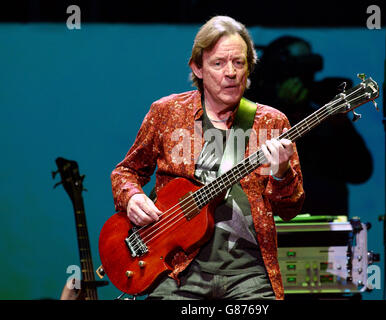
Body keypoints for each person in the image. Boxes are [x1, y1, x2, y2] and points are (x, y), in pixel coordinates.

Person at [110, 16, 305, 300]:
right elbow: (125, 172)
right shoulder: (167, 113)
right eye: (218, 63)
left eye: (239, 63)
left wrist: (281, 173)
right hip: (177, 272)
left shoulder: (271, 122)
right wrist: (131, 198)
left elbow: (290, 208)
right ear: (197, 68)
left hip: (249, 277)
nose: (231, 72)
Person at [247, 35, 373, 216]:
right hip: (272, 222)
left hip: (324, 220)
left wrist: (330, 120)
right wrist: (279, 106)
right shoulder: (255, 108)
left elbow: (360, 170)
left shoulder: (323, 106)